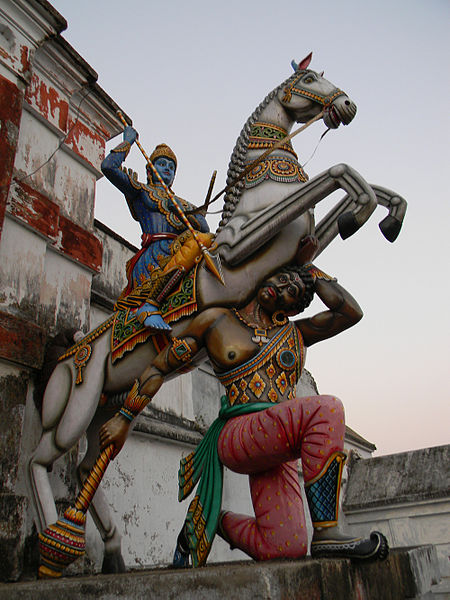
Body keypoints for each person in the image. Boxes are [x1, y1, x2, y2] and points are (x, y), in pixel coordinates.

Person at [99, 253, 388, 567]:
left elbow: (349, 312)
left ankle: (214, 521)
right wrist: (124, 418)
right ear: (266, 276)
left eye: (292, 290)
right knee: (327, 410)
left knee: (285, 546)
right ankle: (328, 534)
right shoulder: (218, 320)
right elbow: (159, 368)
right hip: (239, 433)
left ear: (292, 308)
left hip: (278, 442)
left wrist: (309, 270)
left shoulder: (296, 334)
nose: (283, 286)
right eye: (281, 277)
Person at [101, 126, 211, 330]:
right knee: (200, 241)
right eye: (161, 164)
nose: (167, 169)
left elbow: (205, 227)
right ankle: (150, 305)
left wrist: (183, 212)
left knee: (208, 242)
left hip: (179, 253)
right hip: (155, 256)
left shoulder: (180, 202)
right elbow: (108, 168)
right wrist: (128, 142)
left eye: (171, 166)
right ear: (150, 169)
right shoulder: (142, 191)